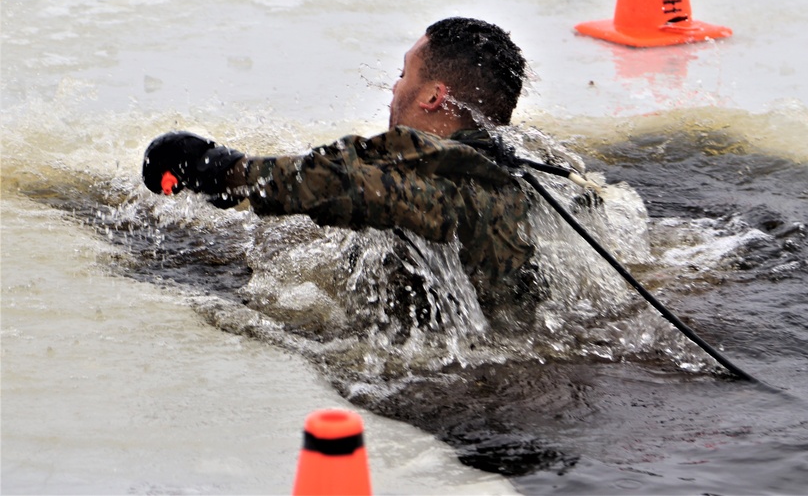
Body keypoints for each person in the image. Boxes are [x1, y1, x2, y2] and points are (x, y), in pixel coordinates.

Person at [142, 17, 540, 331]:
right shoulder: (528, 168)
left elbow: (350, 179)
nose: (393, 88)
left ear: (434, 96)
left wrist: (225, 170)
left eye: (404, 74)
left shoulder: (440, 176)